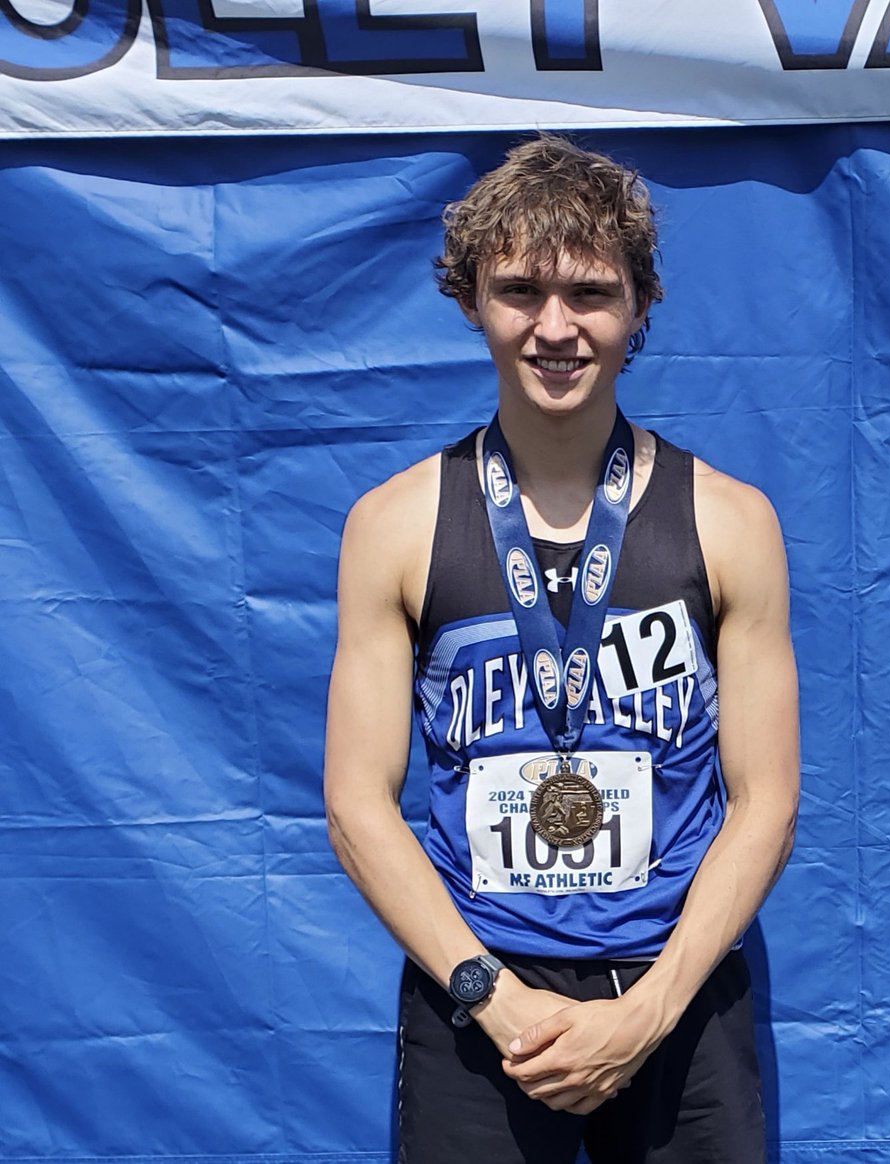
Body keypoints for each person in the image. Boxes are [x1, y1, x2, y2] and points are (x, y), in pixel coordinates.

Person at [324, 135, 799, 1164]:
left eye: (589, 291)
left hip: (677, 993)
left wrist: (648, 1011)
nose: (555, 326)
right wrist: (490, 999)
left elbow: (765, 802)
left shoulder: (731, 522)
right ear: (469, 302)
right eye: (519, 290)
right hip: (477, 993)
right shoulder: (394, 526)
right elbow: (359, 803)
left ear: (638, 308)